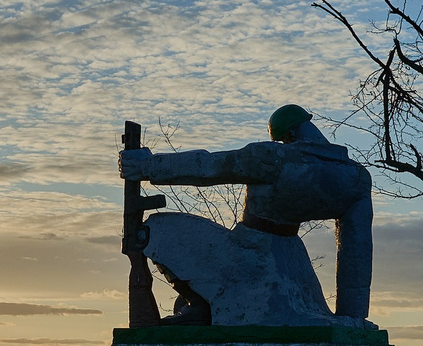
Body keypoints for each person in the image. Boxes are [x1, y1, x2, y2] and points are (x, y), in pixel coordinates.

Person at [119, 104, 374, 323]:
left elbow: (209, 166)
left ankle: (198, 307)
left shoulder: (276, 157)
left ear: (290, 134)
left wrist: (147, 166)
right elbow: (356, 251)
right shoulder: (354, 177)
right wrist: (352, 316)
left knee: (156, 228)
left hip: (251, 251)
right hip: (296, 268)